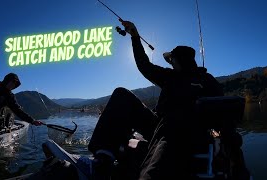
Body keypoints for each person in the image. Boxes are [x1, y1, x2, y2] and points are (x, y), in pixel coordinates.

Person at [81, 20, 224, 180]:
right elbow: (221, 108)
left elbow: (143, 65)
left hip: (164, 129)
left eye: (172, 61)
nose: (170, 64)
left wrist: (135, 36)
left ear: (177, 61)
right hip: (198, 133)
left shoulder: (171, 77)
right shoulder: (209, 79)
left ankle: (103, 161)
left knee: (121, 94)